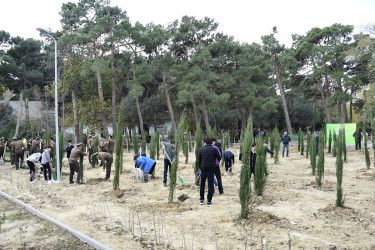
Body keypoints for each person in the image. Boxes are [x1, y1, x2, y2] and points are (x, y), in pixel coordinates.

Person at [198, 137, 221, 207]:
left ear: (205, 142)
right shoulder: (214, 149)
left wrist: (200, 168)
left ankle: (201, 200)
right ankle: (209, 201)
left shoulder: (201, 150)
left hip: (203, 169)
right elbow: (219, 157)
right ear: (211, 142)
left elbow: (199, 160)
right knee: (210, 185)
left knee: (202, 184)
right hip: (211, 169)